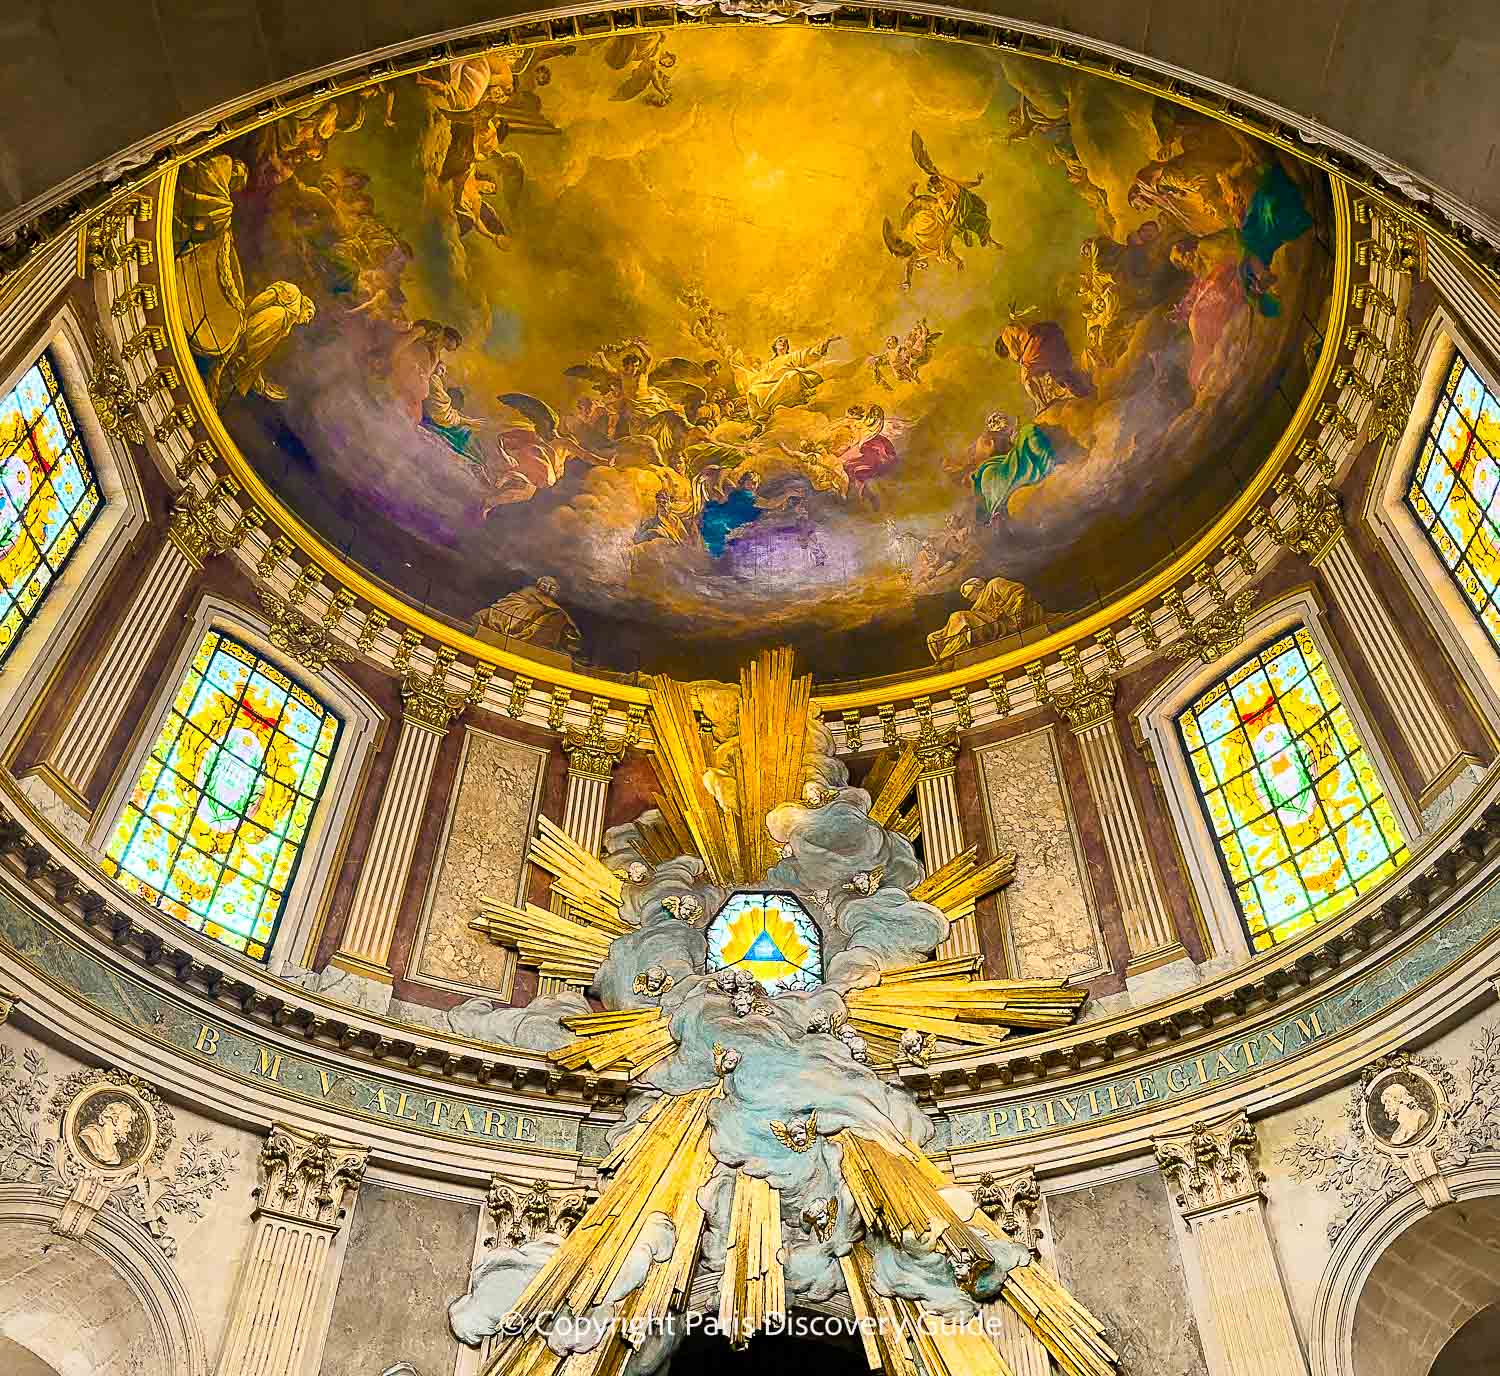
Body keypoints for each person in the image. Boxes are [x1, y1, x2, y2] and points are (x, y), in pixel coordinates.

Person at [213, 282, 315, 401]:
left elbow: (264, 348)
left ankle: (220, 392)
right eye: (309, 314)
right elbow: (267, 298)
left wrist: (257, 373)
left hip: (259, 342)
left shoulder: (289, 321)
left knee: (239, 370)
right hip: (257, 329)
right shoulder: (294, 292)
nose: (307, 321)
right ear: (305, 305)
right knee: (234, 359)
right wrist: (247, 314)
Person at [926, 575, 1043, 661]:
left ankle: (948, 649)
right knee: (935, 636)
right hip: (990, 627)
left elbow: (1019, 593)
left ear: (978, 586)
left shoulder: (994, 584)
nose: (969, 598)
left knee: (959, 616)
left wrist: (1012, 610)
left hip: (1007, 623)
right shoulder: (975, 609)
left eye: (969, 593)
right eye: (966, 596)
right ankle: (945, 642)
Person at [475, 577, 581, 653]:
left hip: (523, 613)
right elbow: (552, 607)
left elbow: (551, 606)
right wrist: (570, 623)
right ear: (539, 584)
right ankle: (524, 634)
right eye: (545, 584)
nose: (547, 588)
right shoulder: (532, 591)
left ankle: (558, 641)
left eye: (551, 587)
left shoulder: (547, 600)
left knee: (552, 616)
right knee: (552, 613)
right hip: (513, 611)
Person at [78, 1100, 139, 1167]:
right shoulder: (90, 1135)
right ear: (115, 1120)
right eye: (127, 1123)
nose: (129, 1130)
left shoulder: (115, 1153)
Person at [1379, 1081, 1432, 1147]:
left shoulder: (1420, 1115)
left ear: (1399, 1099)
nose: (1385, 1109)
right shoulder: (1398, 1134)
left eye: (1388, 1102)